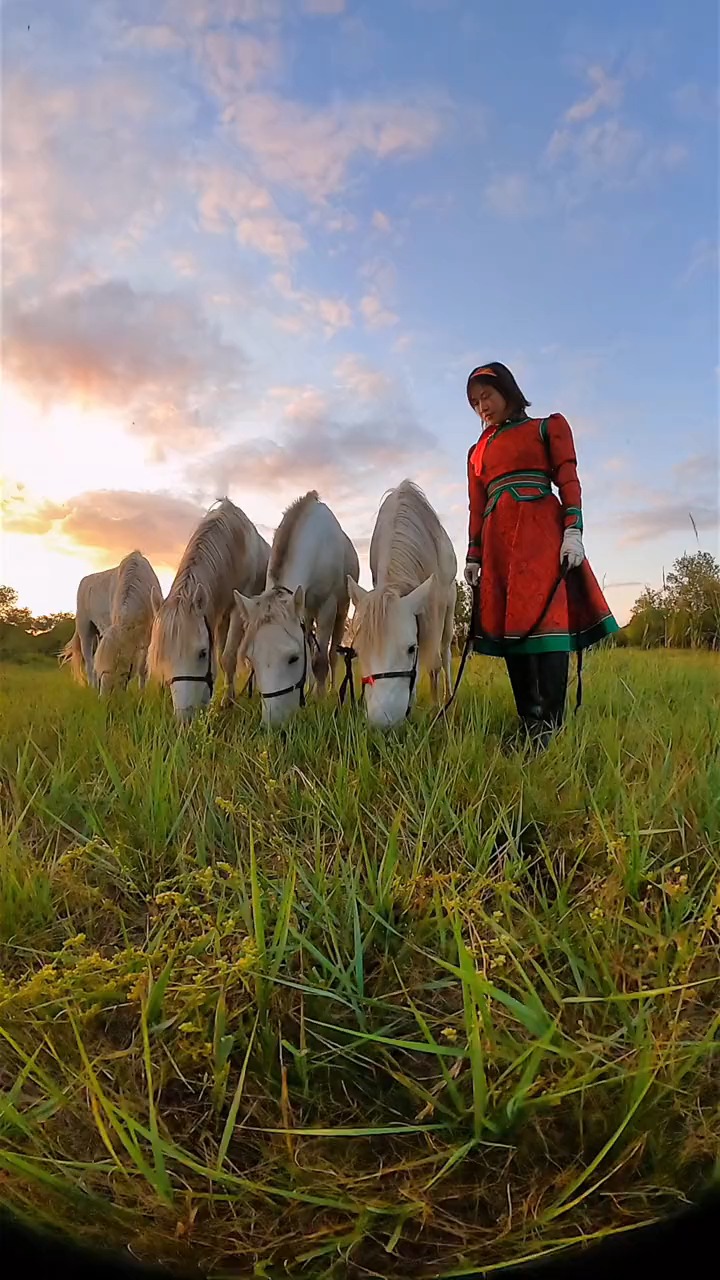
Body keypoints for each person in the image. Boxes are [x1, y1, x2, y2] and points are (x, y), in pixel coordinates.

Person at [464, 361, 618, 744]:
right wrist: (474, 553)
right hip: (498, 540)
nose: (482, 406)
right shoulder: (476, 451)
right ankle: (528, 721)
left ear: (508, 391)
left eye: (487, 396)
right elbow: (475, 503)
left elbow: (568, 479)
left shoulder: (547, 427)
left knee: (547, 622)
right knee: (510, 628)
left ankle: (551, 724)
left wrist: (573, 531)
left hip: (540, 533)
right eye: (474, 402)